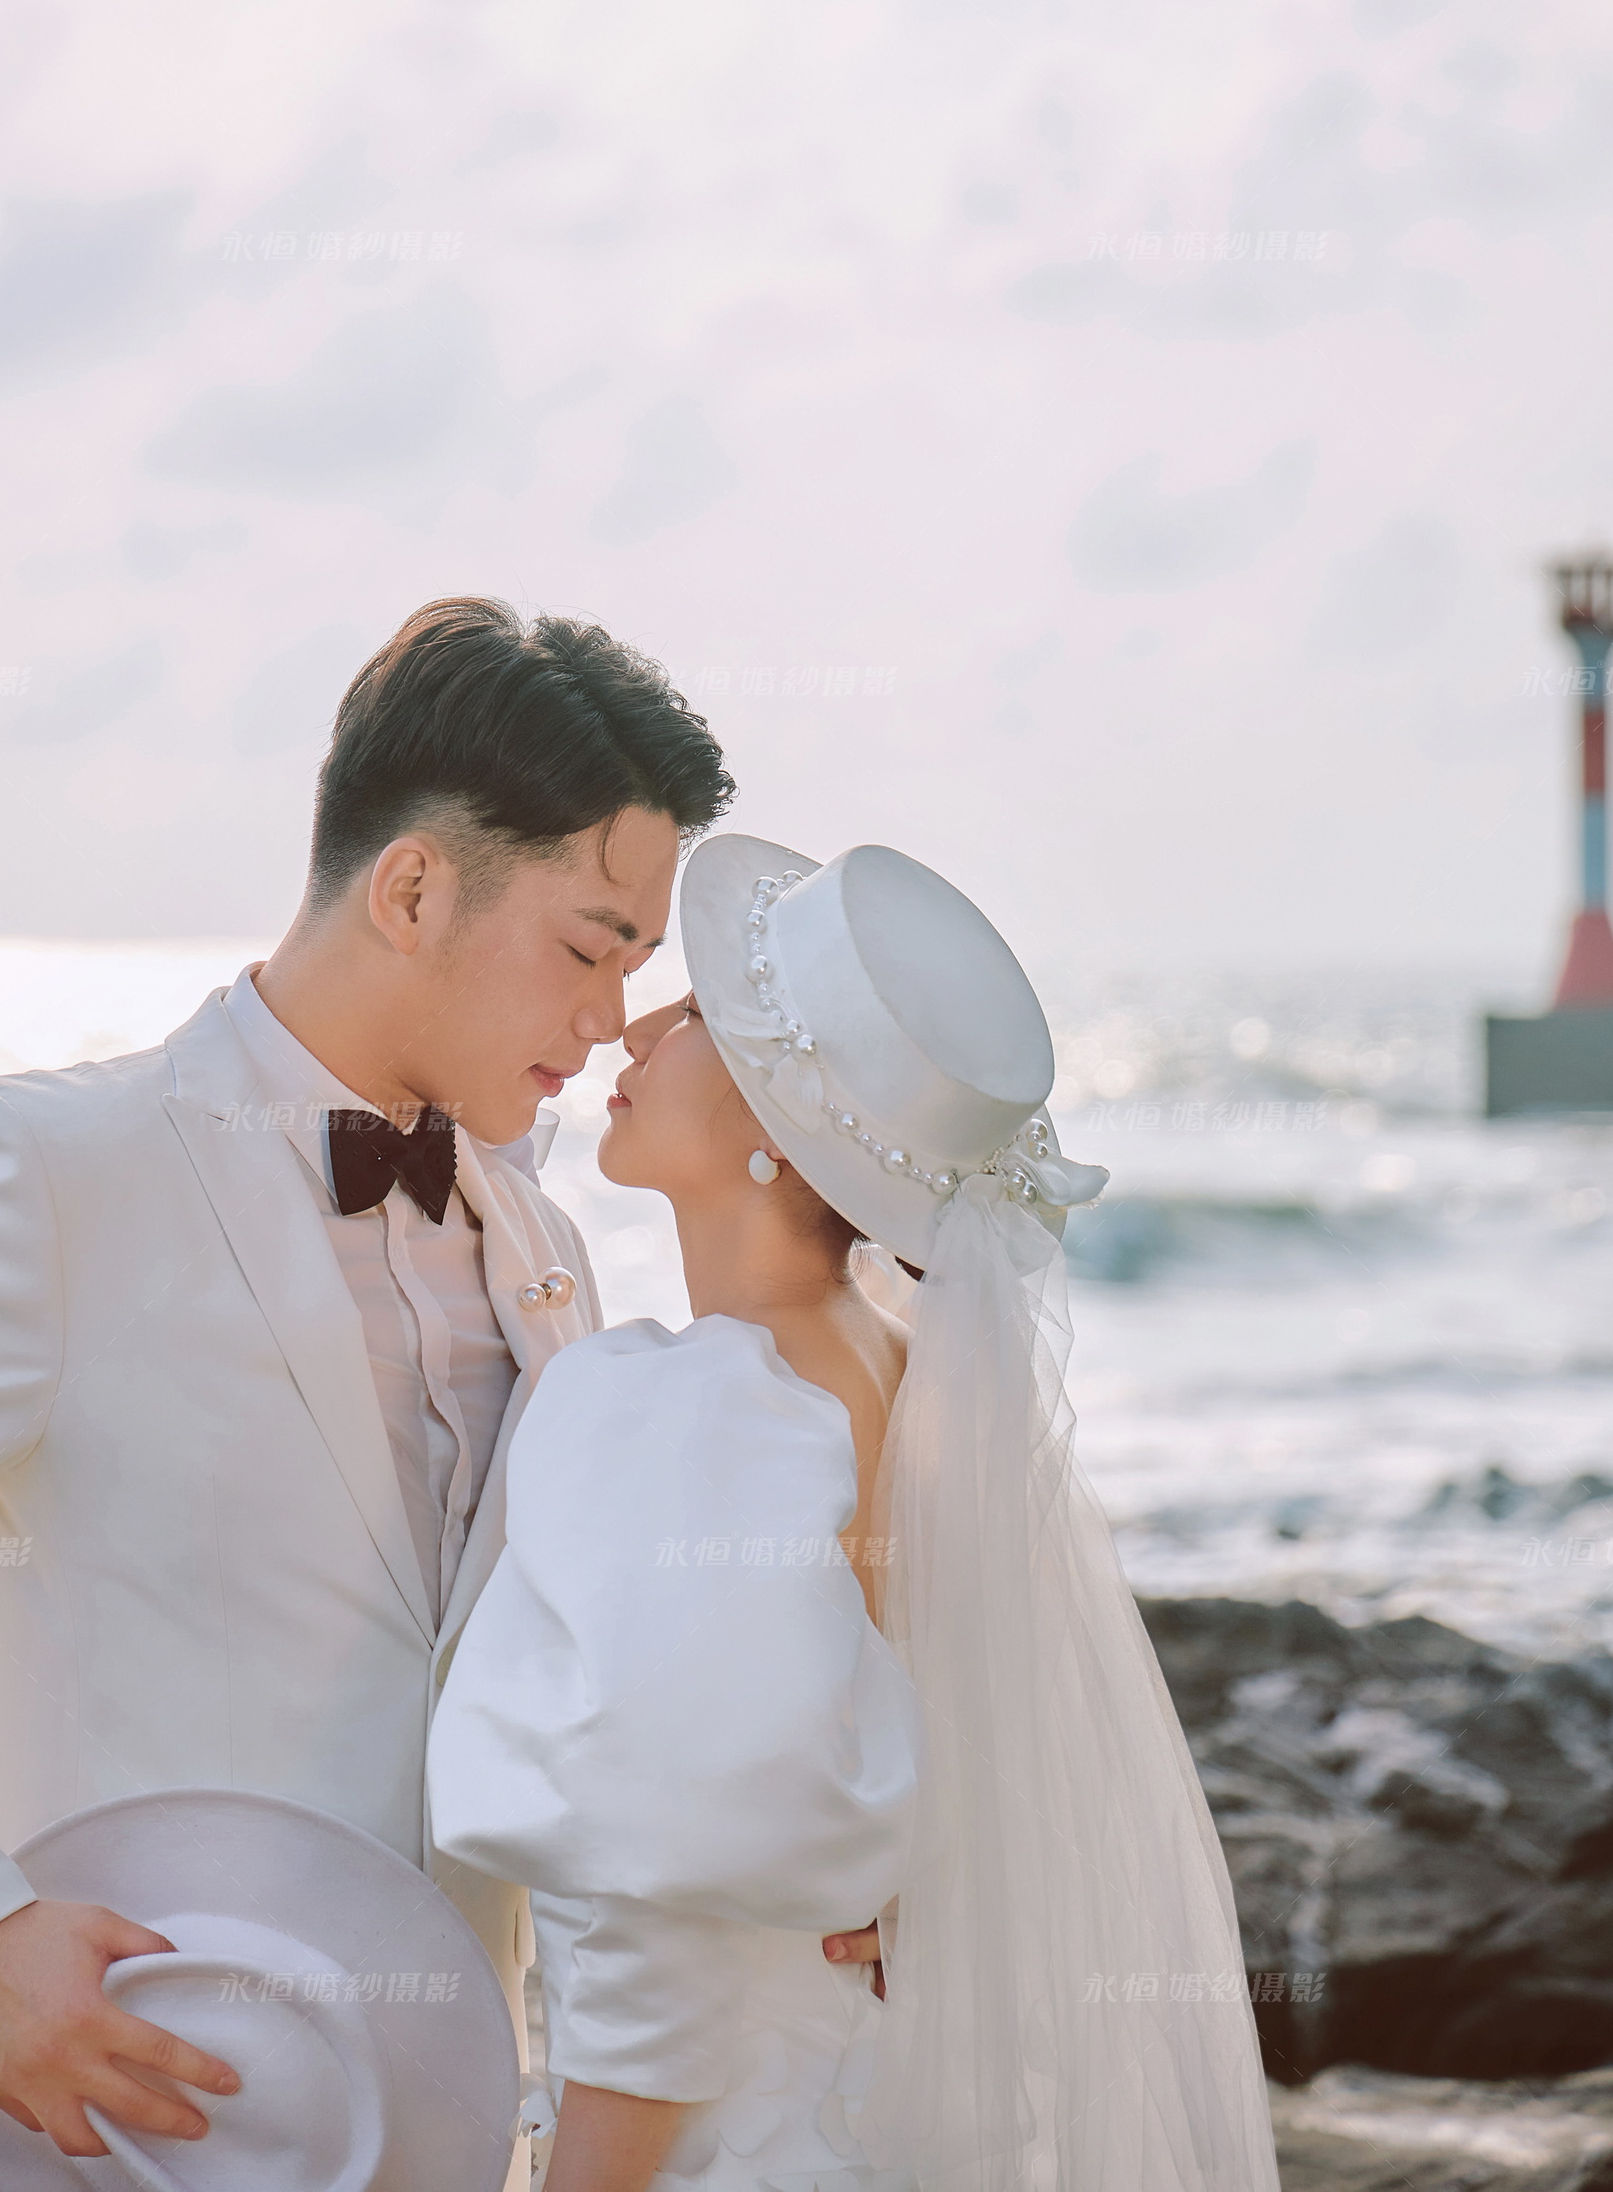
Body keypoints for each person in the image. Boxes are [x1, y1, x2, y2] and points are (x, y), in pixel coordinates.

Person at [0, 596, 732, 2192]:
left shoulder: (543, 1247)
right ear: (411, 889)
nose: (609, 1017)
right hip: (82, 2138)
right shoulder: (48, 1172)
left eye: (641, 963)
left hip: (417, 2142)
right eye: (587, 947)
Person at [428, 833, 1284, 2192]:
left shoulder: (710, 1407)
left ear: (783, 1133)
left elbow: (666, 1900)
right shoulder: (900, 1368)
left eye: (697, 1015)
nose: (635, 1028)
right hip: (865, 2103)